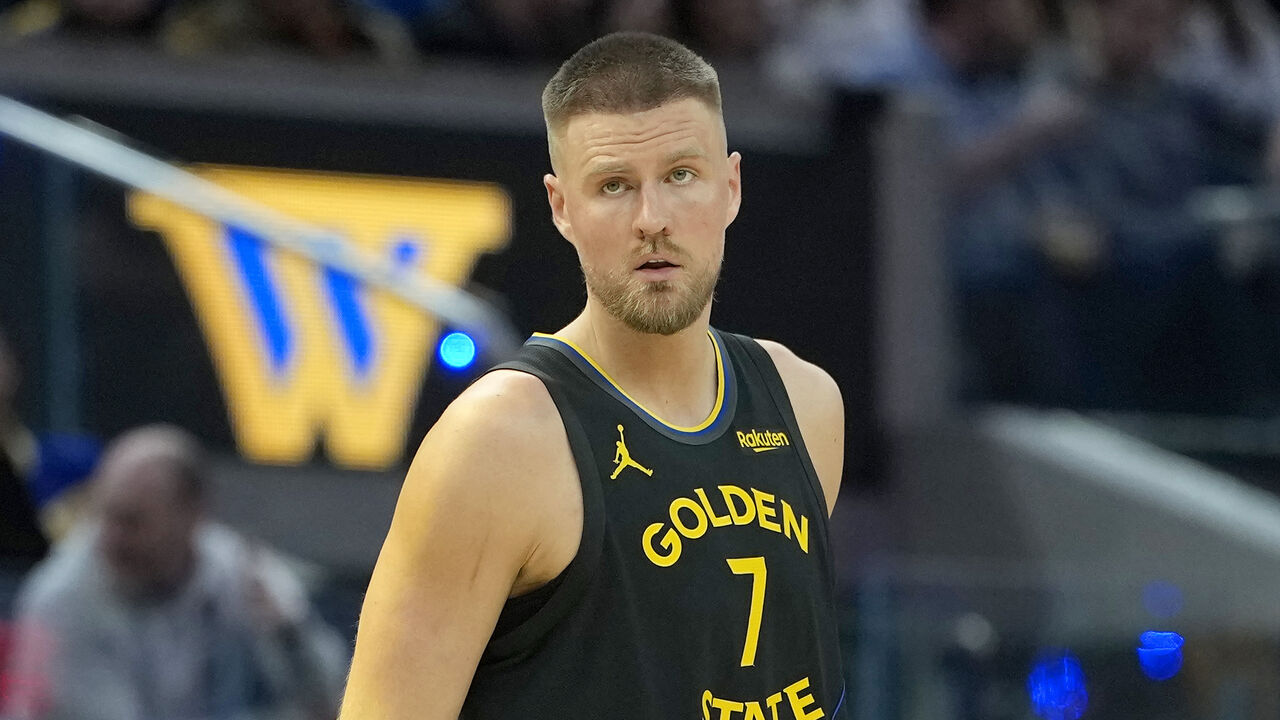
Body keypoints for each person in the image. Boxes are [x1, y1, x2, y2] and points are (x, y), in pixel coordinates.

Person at [340, 31, 847, 719]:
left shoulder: (806, 405)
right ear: (561, 208)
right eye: (614, 186)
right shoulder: (496, 442)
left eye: (681, 176)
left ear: (730, 188)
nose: (652, 221)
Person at [2, 424, 348, 720]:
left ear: (191, 514)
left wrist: (289, 636)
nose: (111, 538)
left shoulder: (239, 574)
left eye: (132, 522)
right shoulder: (62, 598)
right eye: (105, 516)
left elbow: (336, 701)